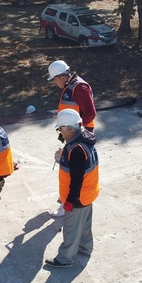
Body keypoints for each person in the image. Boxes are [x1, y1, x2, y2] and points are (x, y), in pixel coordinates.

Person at [45, 109, 99, 268]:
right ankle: (85, 247)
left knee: (71, 228)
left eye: (60, 128)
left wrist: (69, 201)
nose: (59, 132)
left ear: (69, 128)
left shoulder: (76, 150)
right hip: (89, 193)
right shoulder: (83, 140)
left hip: (78, 197)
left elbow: (76, 180)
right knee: (84, 223)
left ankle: (65, 259)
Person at [47, 60, 96, 217]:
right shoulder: (71, 85)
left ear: (61, 77)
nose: (54, 83)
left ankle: (69, 201)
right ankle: (67, 197)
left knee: (71, 169)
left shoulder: (79, 87)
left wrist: (76, 132)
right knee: (70, 168)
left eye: (54, 79)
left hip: (77, 135)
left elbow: (90, 113)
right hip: (71, 132)